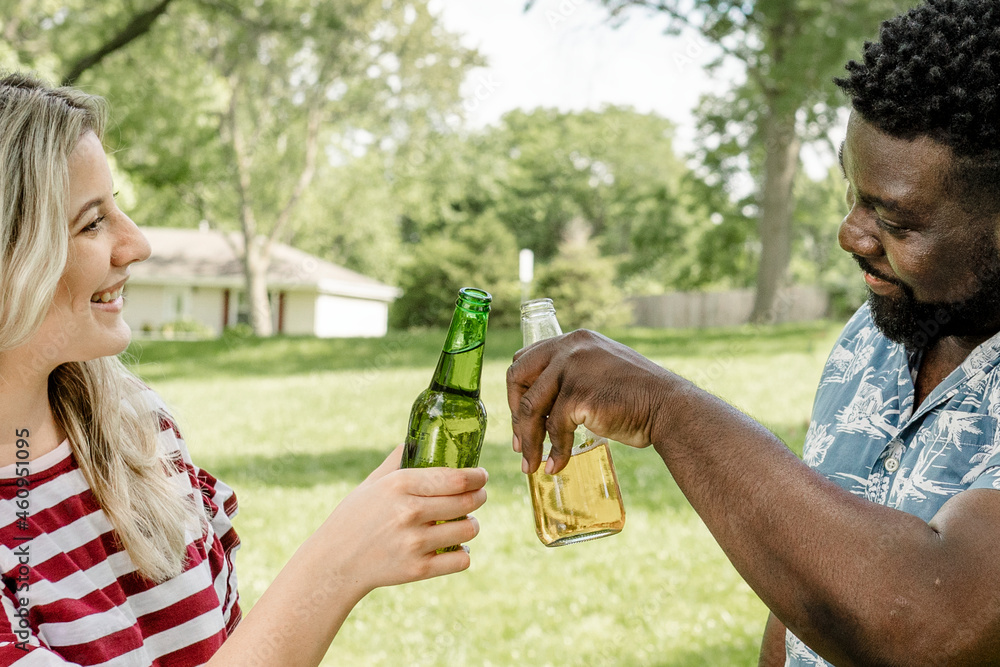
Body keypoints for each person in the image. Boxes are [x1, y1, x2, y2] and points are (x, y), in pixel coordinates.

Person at [507, 0, 1000, 664]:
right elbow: (804, 594)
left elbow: (928, 626)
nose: (849, 234)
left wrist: (668, 407)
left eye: (898, 220)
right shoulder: (874, 336)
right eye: (852, 192)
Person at [0, 72, 488, 666]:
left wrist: (370, 524)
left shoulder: (133, 426)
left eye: (117, 209)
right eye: (91, 222)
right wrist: (336, 564)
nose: (137, 244)